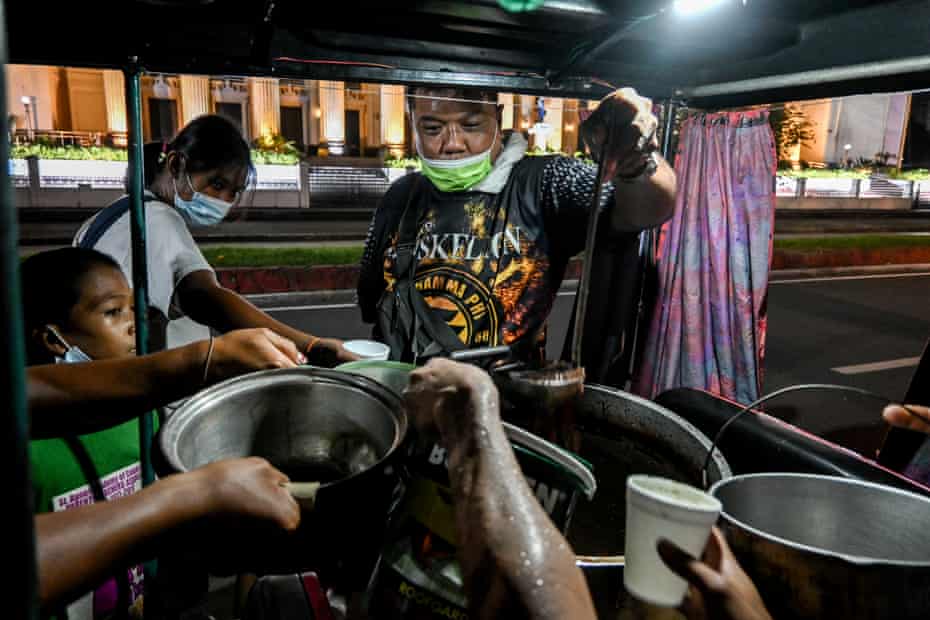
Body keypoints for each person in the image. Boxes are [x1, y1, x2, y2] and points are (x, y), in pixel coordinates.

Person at [21, 247, 305, 619]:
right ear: (52, 338)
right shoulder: (33, 449)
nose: (133, 324)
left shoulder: (138, 415)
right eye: (112, 312)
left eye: (131, 310)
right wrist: (195, 495)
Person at [358, 86, 676, 362]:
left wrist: (635, 160)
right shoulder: (401, 195)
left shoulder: (546, 181)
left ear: (497, 117)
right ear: (411, 122)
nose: (453, 143)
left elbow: (647, 210)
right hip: (405, 393)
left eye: (470, 125)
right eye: (432, 129)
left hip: (508, 405)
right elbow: (374, 302)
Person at [73, 114, 352, 366]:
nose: (223, 201)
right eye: (217, 184)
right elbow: (203, 297)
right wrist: (310, 344)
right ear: (176, 164)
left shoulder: (105, 218)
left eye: (234, 192)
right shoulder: (158, 220)